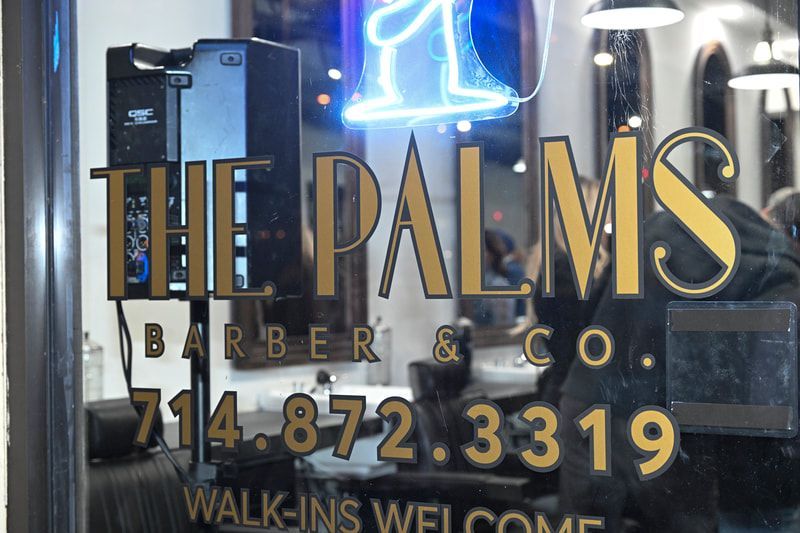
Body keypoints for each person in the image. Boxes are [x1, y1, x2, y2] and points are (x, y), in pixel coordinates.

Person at [557, 195, 800, 532]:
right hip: (669, 423)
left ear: (766, 211)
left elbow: (589, 311)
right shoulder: (778, 269)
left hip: (589, 400)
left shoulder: (670, 222)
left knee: (587, 521)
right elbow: (765, 382)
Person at [525, 176, 611, 406]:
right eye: (608, 212)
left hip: (570, 393)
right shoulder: (565, 272)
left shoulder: (556, 267)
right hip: (578, 398)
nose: (613, 220)